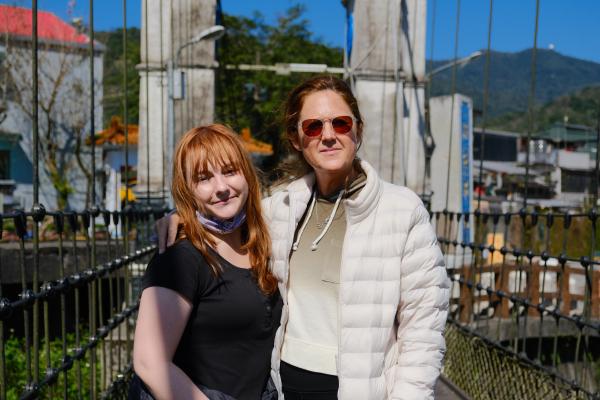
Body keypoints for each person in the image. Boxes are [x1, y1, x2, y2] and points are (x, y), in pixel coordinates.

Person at [159, 76, 449, 400]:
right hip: (281, 389)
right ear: (297, 139)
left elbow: (424, 328)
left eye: (340, 123)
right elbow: (225, 213)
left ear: (358, 129)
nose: (328, 136)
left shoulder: (402, 210)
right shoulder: (280, 209)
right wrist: (180, 216)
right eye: (313, 127)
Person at [132, 124, 281, 400]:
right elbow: (148, 362)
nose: (221, 188)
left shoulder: (262, 244)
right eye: (203, 178)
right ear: (187, 190)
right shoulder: (180, 258)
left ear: (247, 175)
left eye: (229, 171)